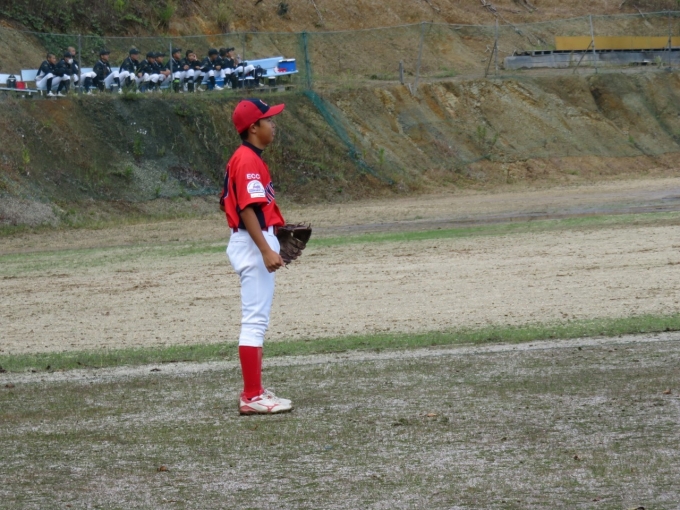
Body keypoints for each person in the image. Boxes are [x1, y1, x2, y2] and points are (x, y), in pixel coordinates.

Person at [220, 99, 291, 415]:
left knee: (256, 320)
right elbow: (246, 209)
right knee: (254, 321)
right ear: (253, 127)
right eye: (268, 120)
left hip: (253, 239)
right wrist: (265, 249)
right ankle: (251, 396)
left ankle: (255, 391)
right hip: (252, 242)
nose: (273, 124)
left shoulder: (246, 158)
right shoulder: (247, 159)